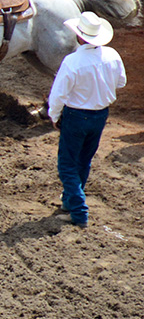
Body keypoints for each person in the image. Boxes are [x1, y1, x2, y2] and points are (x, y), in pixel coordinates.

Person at [47, 12, 128, 228]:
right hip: (100, 115)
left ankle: (78, 211)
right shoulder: (112, 55)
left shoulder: (72, 61)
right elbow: (121, 82)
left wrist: (54, 115)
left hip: (76, 116)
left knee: (67, 164)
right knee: (84, 159)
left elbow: (58, 95)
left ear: (79, 37)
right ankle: (69, 202)